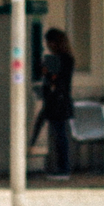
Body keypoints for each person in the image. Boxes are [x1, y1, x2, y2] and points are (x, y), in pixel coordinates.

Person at [33, 26, 77, 176]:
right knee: (58, 135)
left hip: (57, 102)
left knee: (59, 136)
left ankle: (63, 168)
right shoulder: (67, 58)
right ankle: (59, 166)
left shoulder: (62, 60)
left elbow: (57, 79)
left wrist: (49, 74)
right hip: (56, 101)